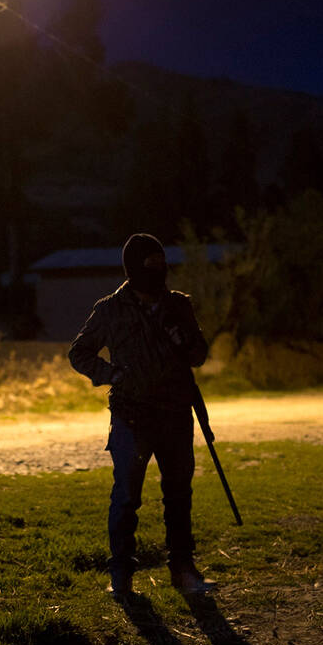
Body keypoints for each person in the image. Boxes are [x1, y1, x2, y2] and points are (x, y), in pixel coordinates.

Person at [69, 233, 213, 596]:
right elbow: (80, 353)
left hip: (176, 415)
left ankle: (183, 569)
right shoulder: (110, 309)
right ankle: (121, 574)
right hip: (131, 417)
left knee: (179, 494)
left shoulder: (178, 306)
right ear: (132, 269)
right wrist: (109, 374)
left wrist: (182, 339)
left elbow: (198, 355)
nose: (158, 271)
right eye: (149, 266)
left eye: (160, 264)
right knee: (127, 496)